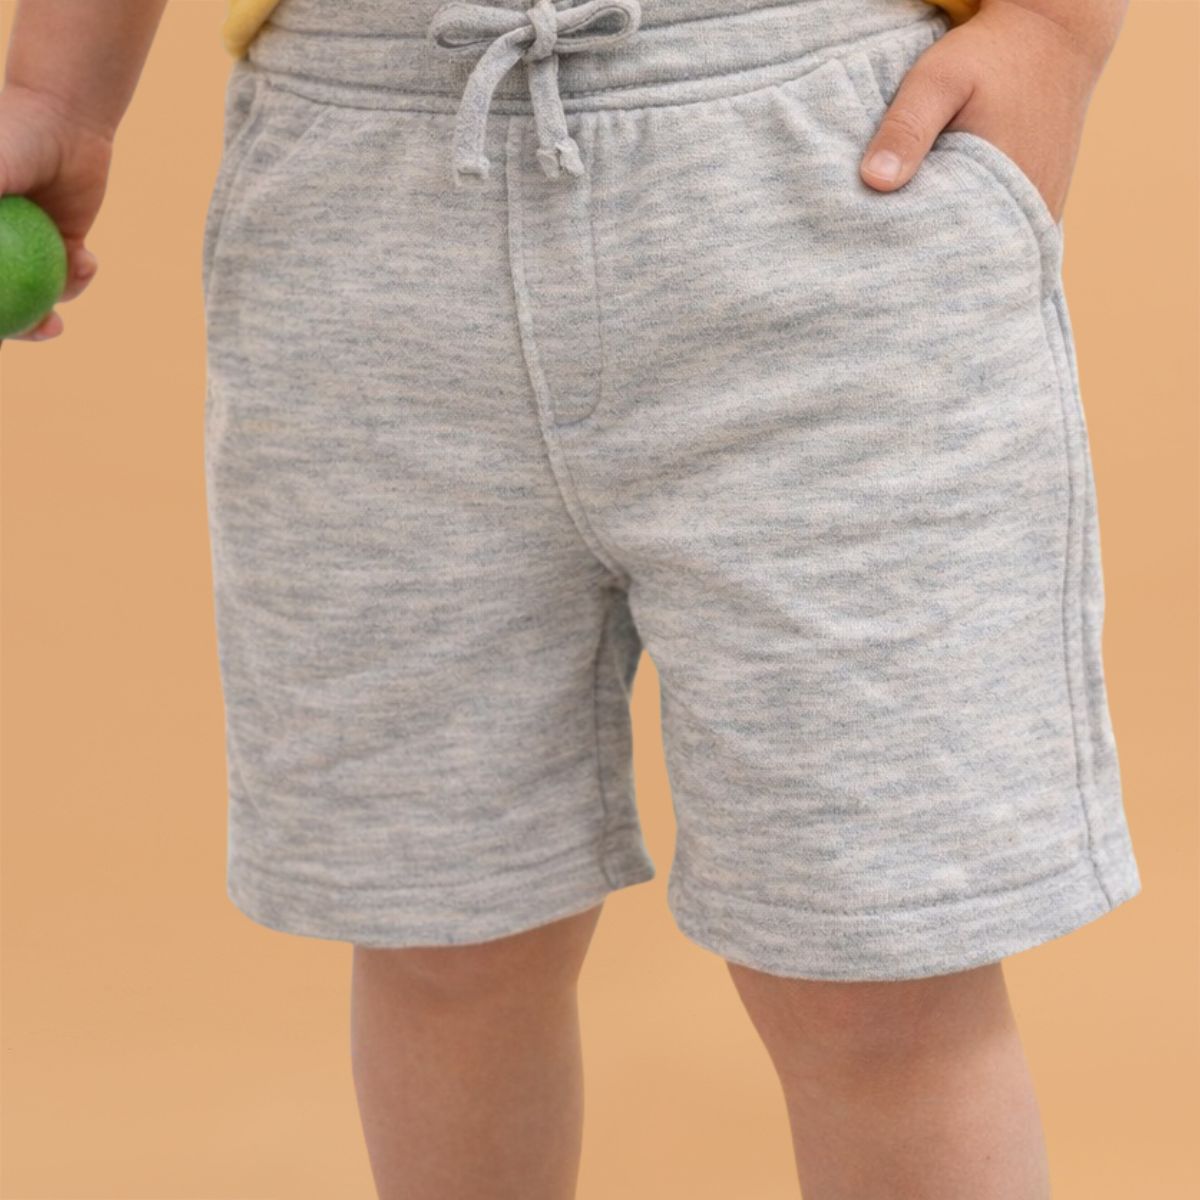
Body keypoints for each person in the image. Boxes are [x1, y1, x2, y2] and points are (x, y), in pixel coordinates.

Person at [1, 0, 1142, 1196]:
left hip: (818, 173)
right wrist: (56, 94)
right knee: (442, 934)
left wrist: (1054, 30)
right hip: (364, 213)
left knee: (884, 959)